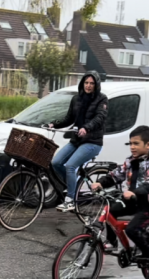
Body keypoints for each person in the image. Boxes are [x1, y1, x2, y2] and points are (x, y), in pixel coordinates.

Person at [90, 125, 149, 263]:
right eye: (130, 143)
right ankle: (112, 242)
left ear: (148, 144)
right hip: (133, 200)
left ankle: (148, 255)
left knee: (132, 229)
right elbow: (116, 175)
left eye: (136, 143)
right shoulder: (130, 160)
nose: (132, 147)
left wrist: (134, 192)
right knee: (109, 211)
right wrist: (101, 183)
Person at [49, 71, 109, 212]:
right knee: (56, 162)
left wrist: (86, 128)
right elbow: (69, 118)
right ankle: (73, 187)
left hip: (92, 142)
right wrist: (54, 124)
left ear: (96, 85)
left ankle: (70, 200)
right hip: (77, 140)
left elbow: (100, 117)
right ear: (82, 83)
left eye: (92, 83)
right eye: (86, 83)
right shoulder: (77, 99)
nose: (88, 86)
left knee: (70, 166)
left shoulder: (102, 99)